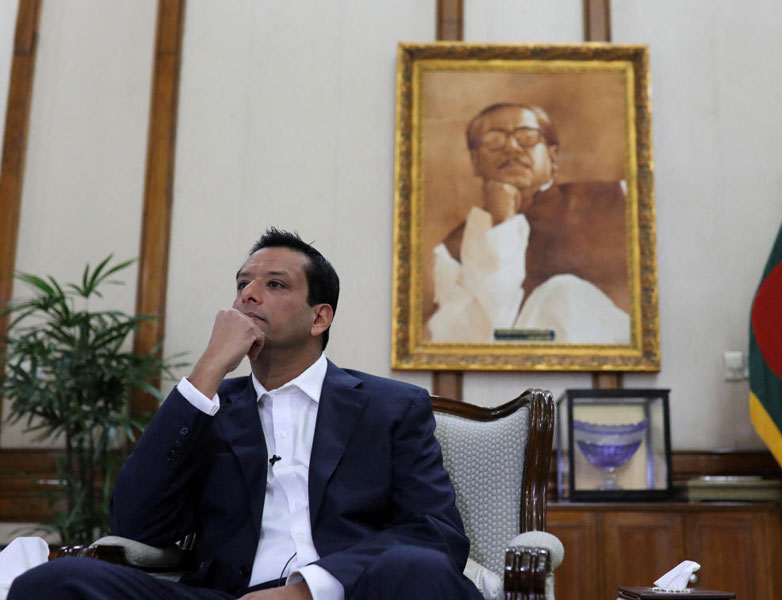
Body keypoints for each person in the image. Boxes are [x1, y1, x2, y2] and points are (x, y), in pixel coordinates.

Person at [10, 228, 481, 600]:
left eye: (274, 284)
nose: (248, 296)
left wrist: (308, 589)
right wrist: (209, 369)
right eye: (242, 285)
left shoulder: (391, 406)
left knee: (419, 568)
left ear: (320, 318)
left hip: (349, 590)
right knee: (53, 583)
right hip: (229, 595)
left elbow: (435, 532)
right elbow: (137, 525)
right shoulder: (207, 407)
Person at [428, 102, 631, 344]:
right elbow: (464, 335)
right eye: (494, 140)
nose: (512, 148)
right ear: (475, 161)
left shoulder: (618, 197)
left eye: (527, 137)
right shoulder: (453, 248)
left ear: (552, 156)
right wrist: (500, 222)